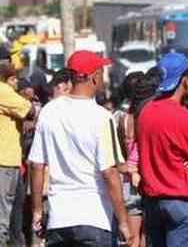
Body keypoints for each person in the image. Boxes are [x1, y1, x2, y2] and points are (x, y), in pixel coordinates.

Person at [28, 51, 133, 247]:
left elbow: (36, 165)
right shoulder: (101, 117)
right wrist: (124, 222)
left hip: (59, 219)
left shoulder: (49, 112)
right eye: (101, 72)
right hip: (95, 218)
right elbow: (109, 172)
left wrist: (37, 211)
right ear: (94, 77)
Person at [137, 53, 188, 247]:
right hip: (183, 202)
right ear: (185, 81)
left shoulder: (145, 112)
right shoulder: (187, 118)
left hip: (153, 202)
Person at [0, 61, 32, 247]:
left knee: (11, 214)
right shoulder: (3, 91)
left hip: (10, 161)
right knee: (4, 216)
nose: (16, 83)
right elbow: (29, 109)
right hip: (4, 162)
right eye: (13, 78)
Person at [114, 71, 147, 247]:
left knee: (130, 238)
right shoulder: (147, 115)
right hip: (147, 180)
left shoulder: (116, 117)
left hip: (125, 182)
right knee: (144, 237)